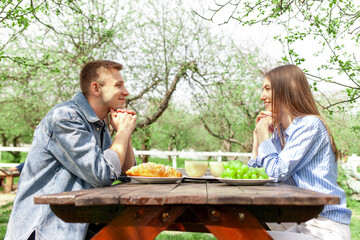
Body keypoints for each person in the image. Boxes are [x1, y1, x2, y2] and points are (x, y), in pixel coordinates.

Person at [5, 60, 137, 240]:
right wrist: (122, 132)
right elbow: (103, 174)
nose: (126, 92)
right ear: (96, 89)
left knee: (129, 231)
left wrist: (125, 133)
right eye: (118, 85)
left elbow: (125, 171)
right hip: (45, 229)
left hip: (77, 225)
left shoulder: (98, 124)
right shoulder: (66, 118)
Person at [248, 64, 352, 240]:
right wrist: (257, 137)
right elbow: (257, 177)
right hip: (301, 224)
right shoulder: (282, 133)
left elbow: (276, 171)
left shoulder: (310, 125)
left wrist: (265, 133)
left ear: (285, 90)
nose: (262, 96)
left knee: (244, 237)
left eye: (267, 89)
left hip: (325, 229)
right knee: (244, 233)